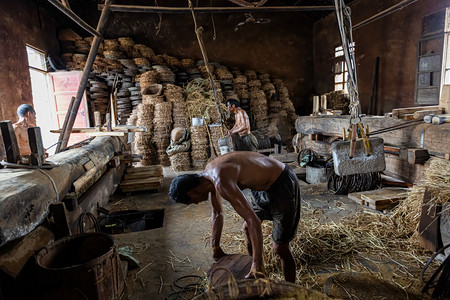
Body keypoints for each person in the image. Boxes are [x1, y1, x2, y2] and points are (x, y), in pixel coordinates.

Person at [168, 151, 301, 282]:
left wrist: (257, 263)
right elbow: (217, 212)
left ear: (192, 192)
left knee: (280, 248)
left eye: (192, 202)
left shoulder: (220, 181)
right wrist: (215, 246)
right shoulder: (207, 177)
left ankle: (291, 289)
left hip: (281, 182)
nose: (196, 203)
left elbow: (252, 219)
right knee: (247, 229)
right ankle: (256, 271)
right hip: (261, 187)